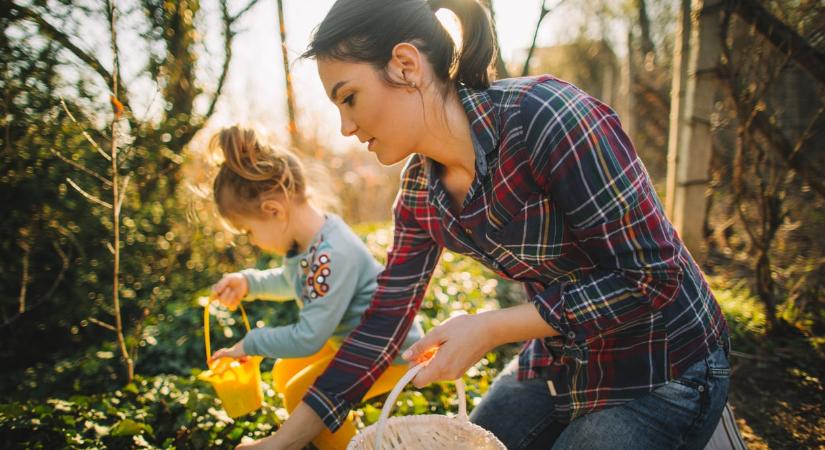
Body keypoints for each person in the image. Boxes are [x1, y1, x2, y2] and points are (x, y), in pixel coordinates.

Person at [238, 0, 732, 448]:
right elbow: (380, 327)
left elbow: (652, 277)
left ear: (406, 66)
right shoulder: (419, 194)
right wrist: (277, 443)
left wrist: (492, 328)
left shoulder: (547, 119)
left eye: (349, 98)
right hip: (566, 361)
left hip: (667, 361)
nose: (346, 127)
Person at [206, 125, 424, 450]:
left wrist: (251, 343)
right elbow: (291, 281)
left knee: (298, 391)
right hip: (348, 339)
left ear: (273, 210)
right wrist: (248, 282)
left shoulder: (332, 253)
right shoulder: (308, 243)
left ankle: (349, 444)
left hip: (389, 350)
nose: (252, 241)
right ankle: (332, 429)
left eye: (248, 231)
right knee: (284, 373)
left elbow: (309, 337)